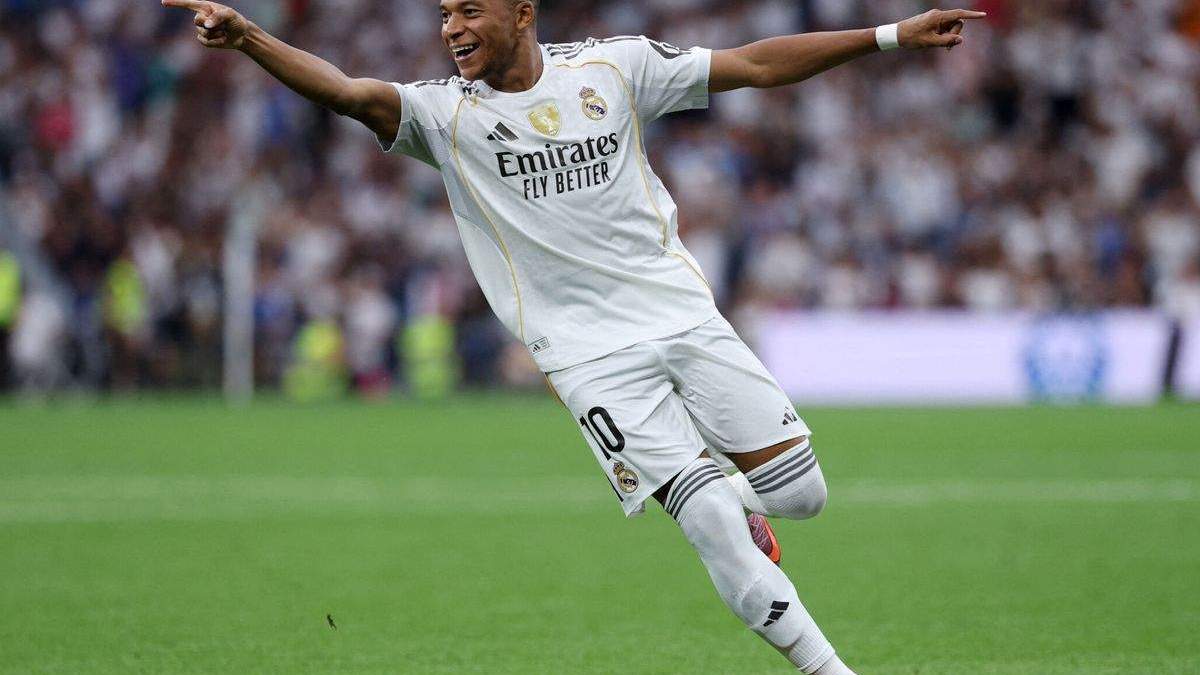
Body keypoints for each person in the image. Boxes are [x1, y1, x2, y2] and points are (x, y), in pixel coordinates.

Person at [162, 0, 985, 670]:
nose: (450, 28)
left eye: (469, 12)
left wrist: (889, 36)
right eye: (444, 13)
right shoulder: (443, 116)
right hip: (588, 357)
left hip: (683, 316)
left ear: (522, 14)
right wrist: (250, 39)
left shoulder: (614, 68)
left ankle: (738, 497)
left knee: (802, 495)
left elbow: (755, 64)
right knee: (705, 528)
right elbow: (346, 91)